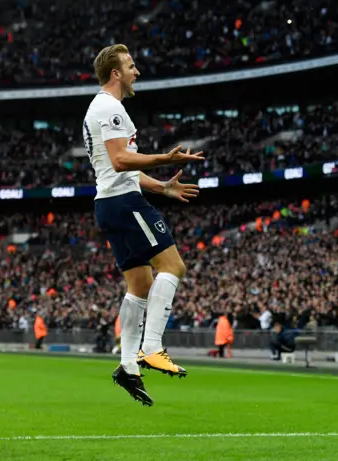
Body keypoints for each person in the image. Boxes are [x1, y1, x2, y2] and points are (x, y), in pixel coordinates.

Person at [83, 44, 204, 406]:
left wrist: (162, 186)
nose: (137, 72)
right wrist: (163, 159)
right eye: (132, 66)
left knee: (139, 284)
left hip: (108, 203)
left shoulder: (98, 108)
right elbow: (121, 161)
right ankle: (151, 347)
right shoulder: (110, 107)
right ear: (116, 73)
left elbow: (117, 167)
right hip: (124, 202)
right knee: (174, 266)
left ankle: (127, 367)